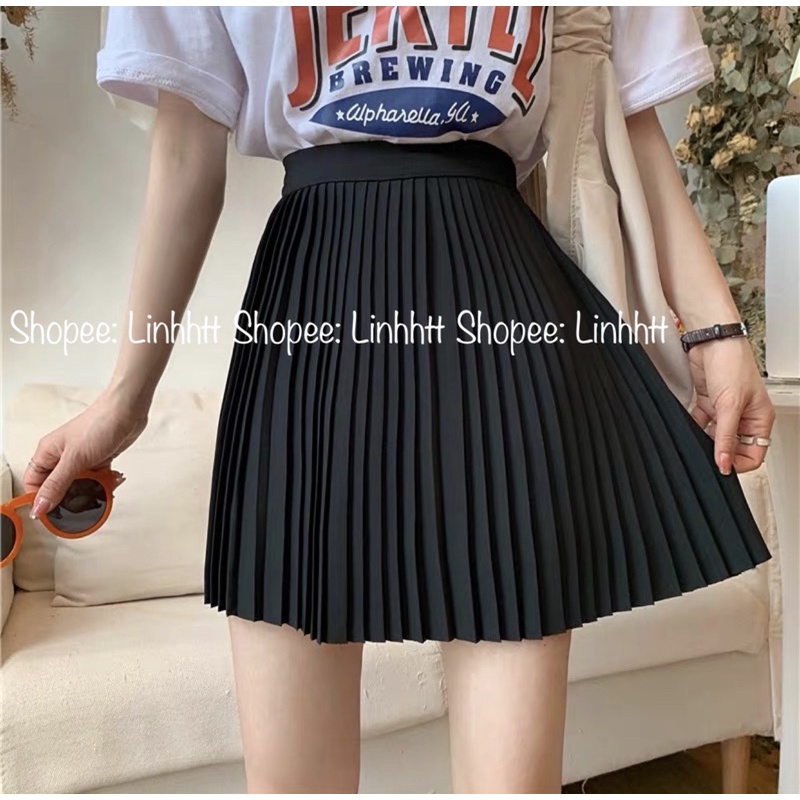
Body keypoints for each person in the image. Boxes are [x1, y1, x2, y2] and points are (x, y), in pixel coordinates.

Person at [24, 7, 774, 793]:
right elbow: (185, 150)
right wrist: (125, 399)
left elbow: (626, 115)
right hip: (309, 314)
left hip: (502, 314)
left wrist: (718, 333)